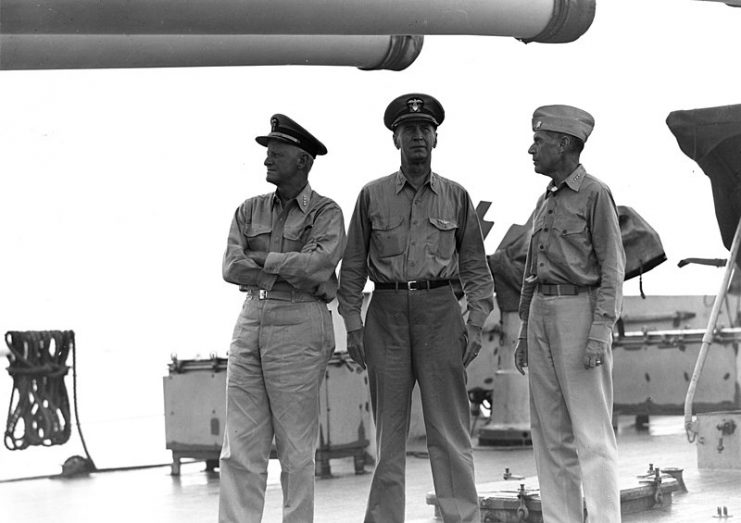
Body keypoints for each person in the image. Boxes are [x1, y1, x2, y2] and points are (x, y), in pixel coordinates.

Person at [337, 93, 494, 523]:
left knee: (449, 428)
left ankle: (461, 517)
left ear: (436, 139)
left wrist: (476, 324)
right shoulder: (371, 196)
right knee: (389, 434)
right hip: (385, 314)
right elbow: (351, 268)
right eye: (409, 131)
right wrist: (353, 325)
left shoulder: (456, 196)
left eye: (425, 130)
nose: (418, 137)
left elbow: (478, 269)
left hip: (440, 311)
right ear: (396, 140)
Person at [218, 114, 346, 523]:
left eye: (278, 151)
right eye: (267, 150)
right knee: (240, 446)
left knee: (295, 448)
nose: (267, 158)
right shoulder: (248, 209)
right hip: (251, 320)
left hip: (300, 323)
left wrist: (261, 259)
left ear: (303, 160)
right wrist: (286, 267)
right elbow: (231, 268)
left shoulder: (326, 213)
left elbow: (319, 265)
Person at [514, 105, 625, 523]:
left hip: (580, 313)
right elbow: (531, 270)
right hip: (543, 311)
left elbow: (612, 268)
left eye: (539, 142)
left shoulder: (595, 194)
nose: (531, 149)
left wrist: (600, 330)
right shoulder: (546, 199)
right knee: (549, 434)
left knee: (592, 434)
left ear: (564, 144)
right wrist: (525, 329)